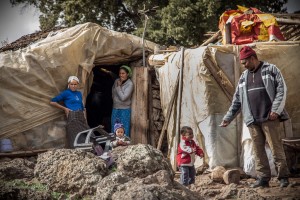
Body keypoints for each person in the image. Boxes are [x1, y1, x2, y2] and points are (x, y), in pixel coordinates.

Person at [220, 46, 290, 188]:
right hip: (252, 120)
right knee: (258, 151)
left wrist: (276, 109)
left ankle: (283, 177)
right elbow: (237, 100)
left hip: (270, 118)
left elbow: (281, 90)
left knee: (276, 149)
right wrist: (228, 117)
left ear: (252, 58)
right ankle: (263, 178)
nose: (244, 66)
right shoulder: (244, 77)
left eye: (245, 62)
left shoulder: (271, 70)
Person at [50, 76, 89, 148]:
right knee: (75, 135)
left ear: (77, 85)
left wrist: (85, 119)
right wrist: (65, 109)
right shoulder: (66, 93)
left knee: (85, 133)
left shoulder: (79, 93)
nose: (73, 86)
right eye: (72, 84)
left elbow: (82, 107)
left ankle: (86, 151)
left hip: (81, 115)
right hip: (72, 115)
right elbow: (52, 102)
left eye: (75, 84)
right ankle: (76, 152)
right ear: (69, 84)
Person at [111, 65, 134, 137]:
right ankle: (114, 145)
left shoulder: (130, 84)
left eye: (123, 73)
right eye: (120, 73)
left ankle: (124, 146)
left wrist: (118, 87)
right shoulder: (116, 81)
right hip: (115, 109)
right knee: (114, 128)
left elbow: (123, 98)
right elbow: (113, 93)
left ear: (127, 74)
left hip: (124, 110)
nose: (121, 75)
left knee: (124, 129)